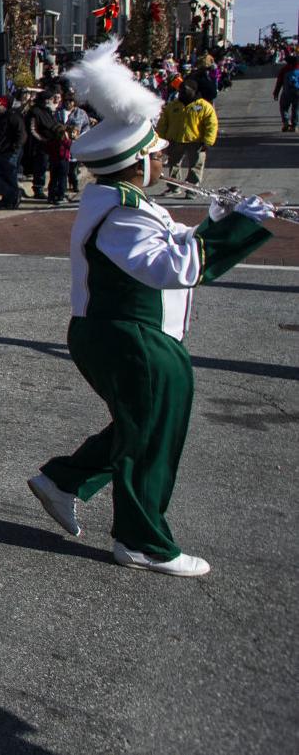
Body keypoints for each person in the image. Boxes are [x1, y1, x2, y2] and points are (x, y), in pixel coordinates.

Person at [27, 41, 273, 576]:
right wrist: (237, 228)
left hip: (129, 332)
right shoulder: (119, 212)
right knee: (153, 436)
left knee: (141, 425)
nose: (163, 158)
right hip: (130, 335)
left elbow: (166, 245)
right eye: (156, 152)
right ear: (137, 162)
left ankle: (64, 480)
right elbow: (172, 269)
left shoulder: (124, 202)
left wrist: (211, 219)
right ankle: (141, 541)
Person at [272, 52, 299, 132]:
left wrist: (276, 93)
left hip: (287, 92)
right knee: (296, 109)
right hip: (298, 93)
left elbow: (279, 82)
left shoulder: (284, 69)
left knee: (283, 107)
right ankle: (294, 126)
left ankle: (286, 122)